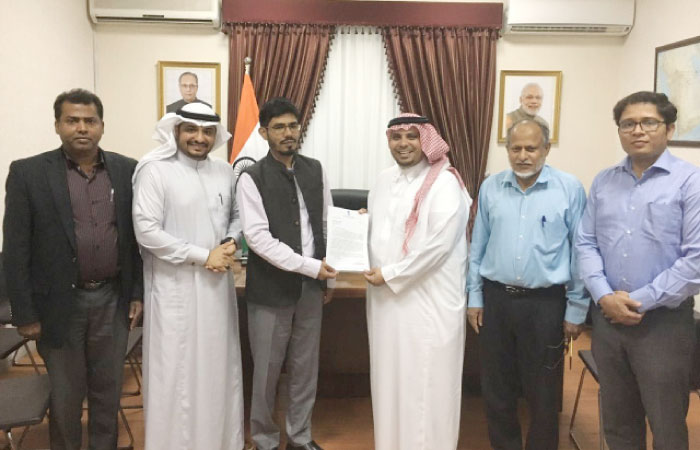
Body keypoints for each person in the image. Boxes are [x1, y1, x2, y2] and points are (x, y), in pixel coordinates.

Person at [3, 88, 143, 450]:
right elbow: (15, 250)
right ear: (57, 125)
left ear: (101, 126)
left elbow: (135, 240)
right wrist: (25, 314)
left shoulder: (127, 169)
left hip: (111, 299)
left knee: (107, 391)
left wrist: (137, 294)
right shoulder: (28, 173)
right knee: (65, 396)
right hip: (57, 307)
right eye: (72, 120)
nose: (82, 127)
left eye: (90, 120)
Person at [576, 91, 700, 450]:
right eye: (628, 124)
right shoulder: (604, 181)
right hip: (608, 321)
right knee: (617, 421)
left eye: (649, 122)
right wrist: (603, 297)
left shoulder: (690, 182)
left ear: (670, 128)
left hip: (662, 324)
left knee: (666, 424)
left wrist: (638, 301)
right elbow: (586, 243)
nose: (638, 130)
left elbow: (695, 262)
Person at [467, 119, 589, 450]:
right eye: (515, 148)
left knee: (543, 392)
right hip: (497, 301)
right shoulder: (491, 186)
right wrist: (474, 297)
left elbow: (582, 251)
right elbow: (478, 247)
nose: (522, 156)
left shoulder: (569, 188)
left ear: (546, 149)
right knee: (497, 390)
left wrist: (577, 309)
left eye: (531, 148)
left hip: (546, 304)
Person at [132, 102, 244, 450]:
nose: (199, 138)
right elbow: (146, 231)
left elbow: (238, 215)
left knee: (216, 370)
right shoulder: (154, 169)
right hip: (174, 289)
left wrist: (228, 243)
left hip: (216, 288)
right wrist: (202, 255)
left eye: (207, 131)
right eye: (191, 130)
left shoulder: (224, 171)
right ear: (176, 131)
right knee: (176, 372)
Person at [363, 113, 471, 450]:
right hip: (385, 302)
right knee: (389, 382)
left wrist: (391, 274)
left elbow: (437, 246)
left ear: (426, 140)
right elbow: (381, 234)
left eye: (412, 136)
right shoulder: (383, 180)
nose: (404, 144)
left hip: (428, 304)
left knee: (427, 386)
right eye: (397, 137)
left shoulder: (445, 183)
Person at [236, 97, 336, 450]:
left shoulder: (315, 169)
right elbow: (258, 238)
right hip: (270, 290)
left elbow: (325, 222)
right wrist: (310, 267)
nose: (288, 133)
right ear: (264, 132)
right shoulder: (251, 177)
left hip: (311, 288)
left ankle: (300, 436)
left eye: (293, 125)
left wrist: (328, 275)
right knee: (265, 370)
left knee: (305, 368)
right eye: (279, 127)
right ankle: (264, 439)